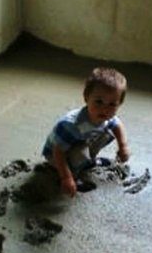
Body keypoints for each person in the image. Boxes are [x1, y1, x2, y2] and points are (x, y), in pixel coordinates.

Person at [42, 67, 131, 197]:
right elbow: (58, 151)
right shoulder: (71, 125)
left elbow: (117, 124)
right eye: (99, 101)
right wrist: (66, 178)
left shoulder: (107, 117)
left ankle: (88, 161)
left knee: (106, 133)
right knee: (79, 154)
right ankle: (75, 171)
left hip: (83, 141)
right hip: (57, 154)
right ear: (86, 98)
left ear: (119, 104)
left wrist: (123, 146)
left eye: (112, 104)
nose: (105, 109)